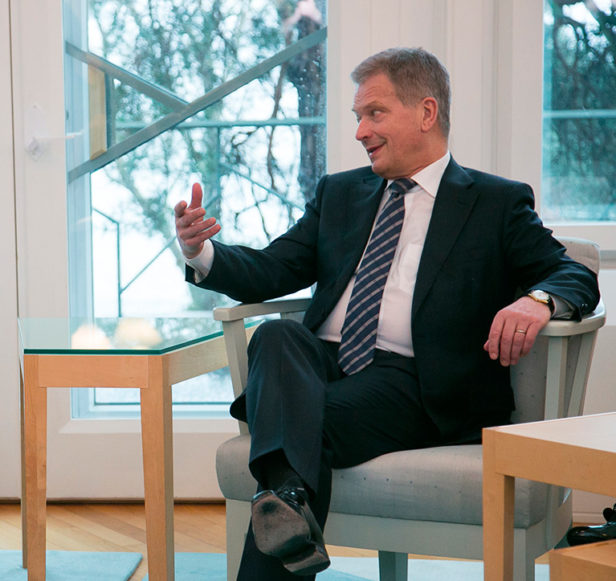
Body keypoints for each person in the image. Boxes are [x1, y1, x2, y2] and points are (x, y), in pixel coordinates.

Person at [173, 47, 599, 580]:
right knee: (275, 339)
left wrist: (537, 300)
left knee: (293, 419)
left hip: (414, 384)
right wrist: (199, 253)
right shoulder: (340, 192)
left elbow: (574, 274)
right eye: (357, 117)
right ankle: (287, 500)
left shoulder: (495, 202)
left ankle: (279, 495)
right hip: (322, 366)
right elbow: (271, 269)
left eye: (374, 114)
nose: (359, 131)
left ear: (426, 113)